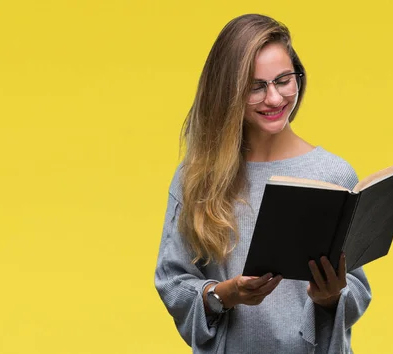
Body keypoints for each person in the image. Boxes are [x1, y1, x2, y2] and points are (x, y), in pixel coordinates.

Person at [154, 13, 372, 354]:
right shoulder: (197, 177)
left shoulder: (334, 174)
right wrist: (226, 294)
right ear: (228, 92)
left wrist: (332, 297)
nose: (274, 99)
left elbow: (358, 289)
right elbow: (173, 283)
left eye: (284, 80)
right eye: (256, 87)